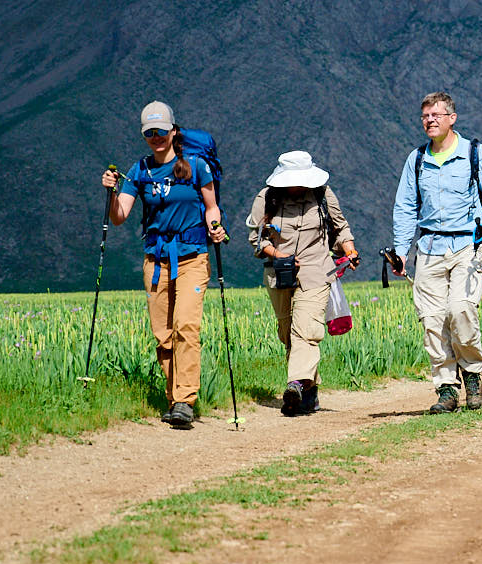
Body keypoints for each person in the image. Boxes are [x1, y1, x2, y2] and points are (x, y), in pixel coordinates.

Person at [101, 101, 225, 429]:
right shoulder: (139, 170)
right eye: (149, 133)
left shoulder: (196, 166)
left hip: (193, 257)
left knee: (186, 325)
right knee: (163, 334)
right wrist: (113, 194)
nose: (156, 137)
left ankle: (185, 399)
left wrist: (216, 226)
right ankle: (174, 400)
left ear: (173, 130)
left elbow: (211, 207)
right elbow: (119, 217)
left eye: (161, 131)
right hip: (156, 260)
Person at [390, 92, 482, 413]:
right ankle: (446, 388)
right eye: (426, 116)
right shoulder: (416, 160)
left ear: (452, 118)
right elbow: (405, 208)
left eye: (437, 115)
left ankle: (471, 375)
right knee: (432, 319)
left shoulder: (475, 154)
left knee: (461, 309)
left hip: (467, 246)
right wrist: (400, 251)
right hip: (427, 249)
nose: (430, 120)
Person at [246, 151, 357, 416]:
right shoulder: (266, 198)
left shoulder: (322, 194)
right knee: (288, 333)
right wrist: (277, 254)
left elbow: (341, 229)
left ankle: (294, 383)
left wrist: (350, 250)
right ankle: (310, 392)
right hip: (279, 273)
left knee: (305, 330)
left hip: (316, 271)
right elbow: (256, 238)